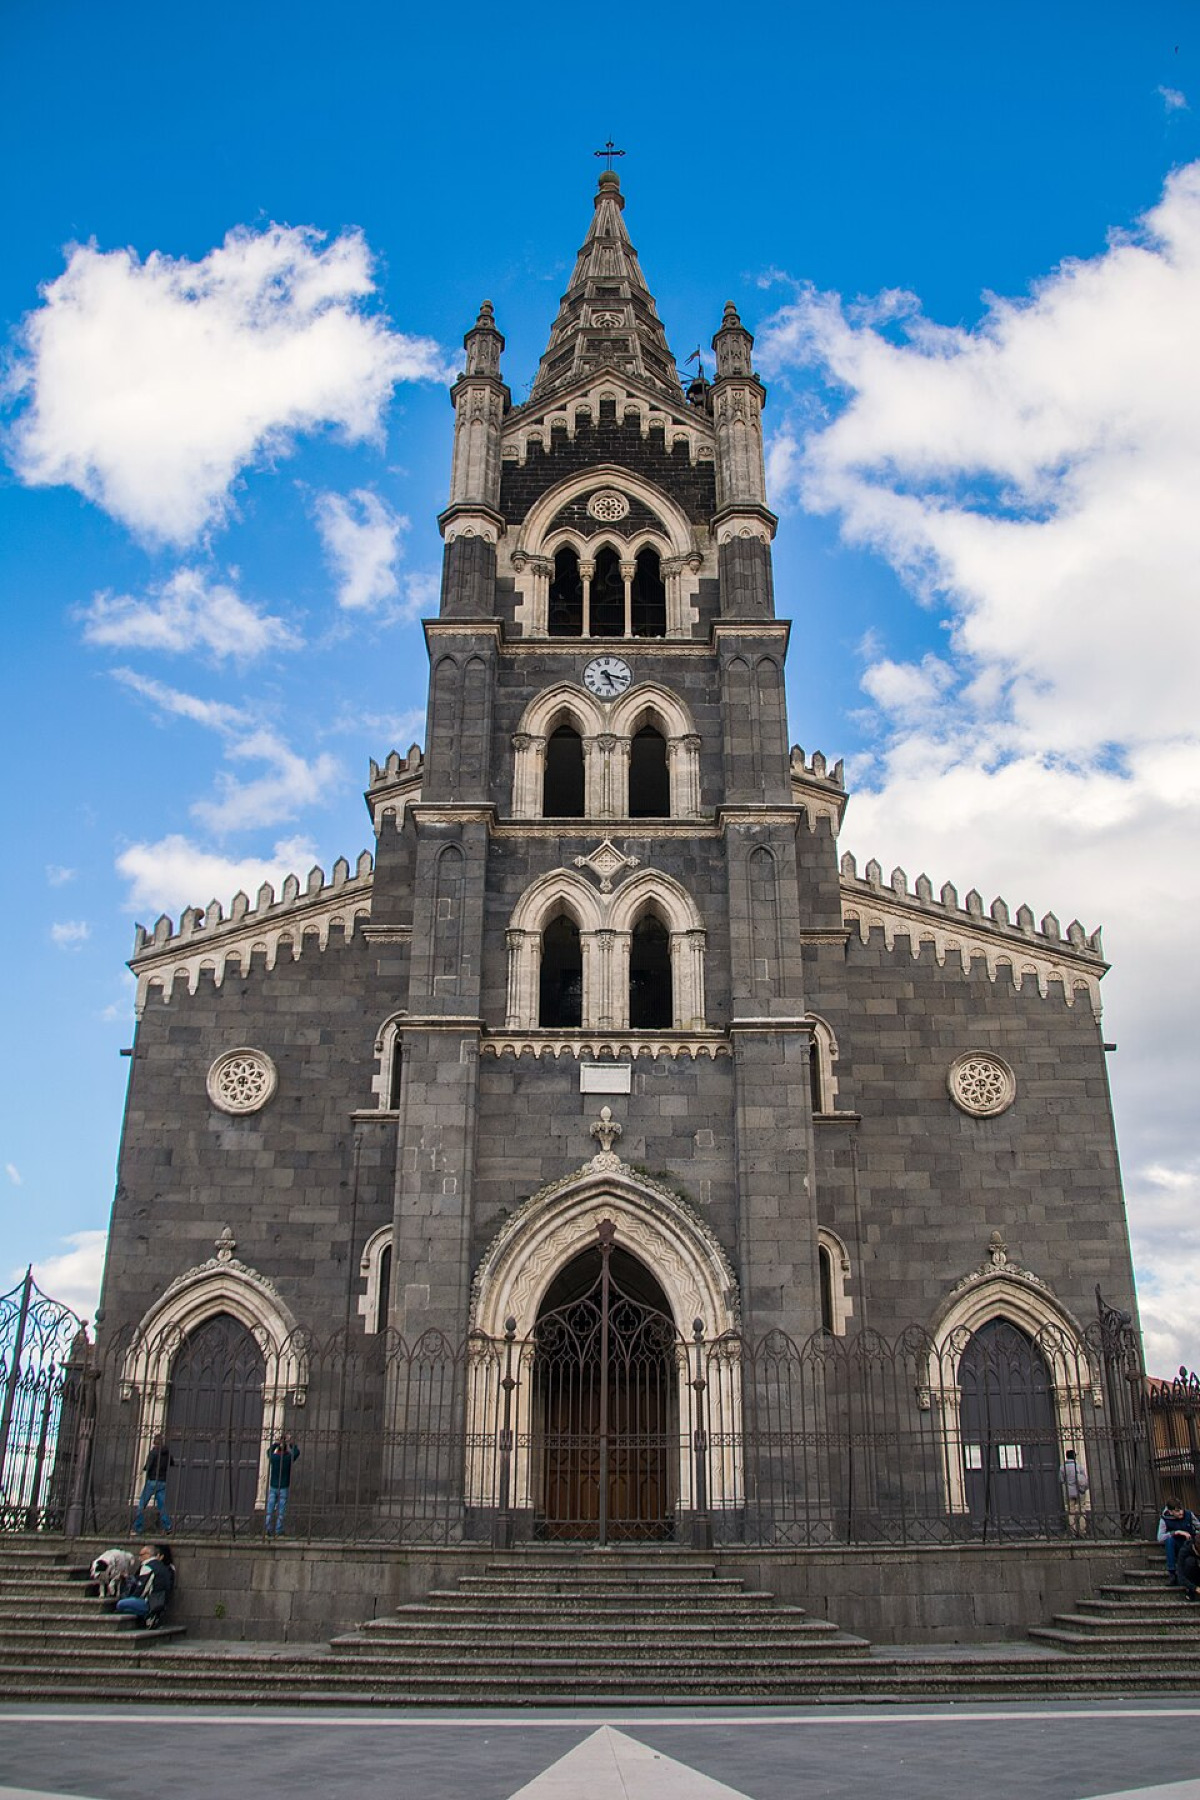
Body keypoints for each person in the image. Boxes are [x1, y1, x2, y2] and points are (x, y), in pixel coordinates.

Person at [114, 1544, 175, 1629]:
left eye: (141, 1555)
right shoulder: (163, 1566)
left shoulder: (148, 1566)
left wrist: (132, 1597)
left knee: (121, 1604)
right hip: (161, 1602)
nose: (139, 1558)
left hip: (149, 1603)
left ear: (148, 1554)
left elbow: (141, 1587)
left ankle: (148, 1615)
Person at [132, 1433, 174, 1535]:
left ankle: (138, 1527)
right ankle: (168, 1527)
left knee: (142, 1504)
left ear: (154, 1442)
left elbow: (148, 1466)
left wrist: (143, 1470)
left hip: (152, 1481)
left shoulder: (153, 1453)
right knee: (162, 1506)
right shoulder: (167, 1453)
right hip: (162, 1481)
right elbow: (172, 1463)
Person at [265, 1431, 300, 1537]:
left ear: (278, 1449)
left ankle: (268, 1528)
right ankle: (279, 1529)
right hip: (284, 1486)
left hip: (273, 1486)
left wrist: (277, 1442)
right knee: (281, 1509)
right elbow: (297, 1452)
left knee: (270, 1508)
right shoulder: (288, 1458)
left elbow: (268, 1451)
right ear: (286, 1450)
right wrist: (291, 1443)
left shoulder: (274, 1458)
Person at [1157, 1497, 1199, 1583]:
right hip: (1176, 1545)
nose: (1181, 1513)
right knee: (1169, 1540)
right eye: (1177, 1511)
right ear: (1170, 1511)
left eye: (1181, 1510)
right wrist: (1176, 1532)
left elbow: (1198, 1526)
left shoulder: (1188, 1514)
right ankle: (1172, 1573)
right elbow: (1160, 1537)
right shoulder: (1165, 1519)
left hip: (1189, 1544)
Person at [1060, 1448, 1090, 1536]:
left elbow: (1061, 1480)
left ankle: (1072, 1530)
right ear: (1074, 1456)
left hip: (1069, 1492)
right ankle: (1082, 1530)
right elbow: (1084, 1478)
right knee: (1082, 1510)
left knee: (1071, 1511)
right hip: (1080, 1491)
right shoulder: (1079, 1467)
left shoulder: (1063, 1468)